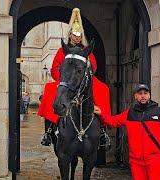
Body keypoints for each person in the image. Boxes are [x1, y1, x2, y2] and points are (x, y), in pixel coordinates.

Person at [38, 8, 112, 152]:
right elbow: (55, 68)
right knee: (50, 89)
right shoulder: (63, 50)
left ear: (81, 36)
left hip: (83, 80)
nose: (76, 37)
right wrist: (64, 79)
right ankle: (49, 130)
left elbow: (94, 66)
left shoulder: (86, 50)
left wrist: (86, 74)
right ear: (70, 35)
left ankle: (102, 129)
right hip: (65, 80)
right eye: (74, 34)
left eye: (78, 35)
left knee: (103, 89)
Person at [94, 84, 160, 180]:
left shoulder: (159, 112)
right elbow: (113, 121)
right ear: (135, 96)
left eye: (145, 93)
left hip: (155, 160)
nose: (143, 96)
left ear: (149, 95)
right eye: (140, 93)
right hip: (136, 162)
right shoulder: (130, 113)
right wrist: (101, 113)